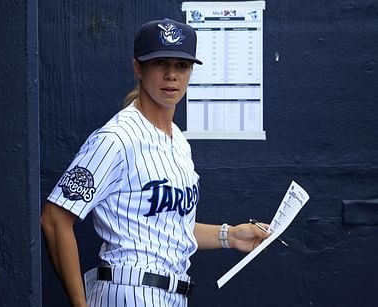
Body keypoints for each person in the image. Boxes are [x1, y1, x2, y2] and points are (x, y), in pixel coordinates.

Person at [41, 18, 270, 307]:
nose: (171, 75)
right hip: (129, 289)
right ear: (138, 67)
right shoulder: (116, 139)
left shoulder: (177, 140)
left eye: (182, 66)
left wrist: (231, 236)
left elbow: (169, 227)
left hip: (173, 294)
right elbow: (54, 219)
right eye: (160, 63)